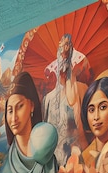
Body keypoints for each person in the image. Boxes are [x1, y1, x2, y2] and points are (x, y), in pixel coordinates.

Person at [42, 33, 89, 165]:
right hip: (55, 160)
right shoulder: (48, 100)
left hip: (79, 155)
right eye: (62, 46)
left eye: (67, 45)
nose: (63, 69)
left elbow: (85, 125)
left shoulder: (81, 89)